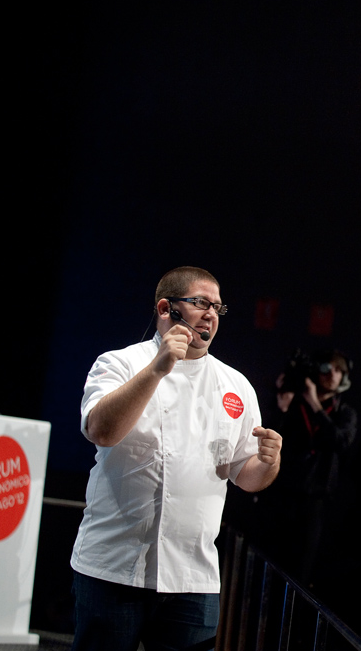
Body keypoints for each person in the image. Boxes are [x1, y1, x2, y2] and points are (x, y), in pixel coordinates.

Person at [70, 266, 283, 651]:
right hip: (114, 566)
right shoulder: (119, 363)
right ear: (166, 307)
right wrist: (157, 369)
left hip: (192, 576)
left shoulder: (235, 385)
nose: (211, 315)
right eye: (201, 303)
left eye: (218, 307)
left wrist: (268, 464)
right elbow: (101, 431)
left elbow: (243, 474)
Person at [266, 348, 357, 585]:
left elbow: (340, 441)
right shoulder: (294, 403)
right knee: (272, 559)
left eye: (339, 370)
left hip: (315, 498)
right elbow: (268, 433)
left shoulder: (343, 413)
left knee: (301, 570)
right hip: (282, 492)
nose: (332, 374)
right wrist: (282, 405)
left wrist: (314, 402)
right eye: (327, 368)